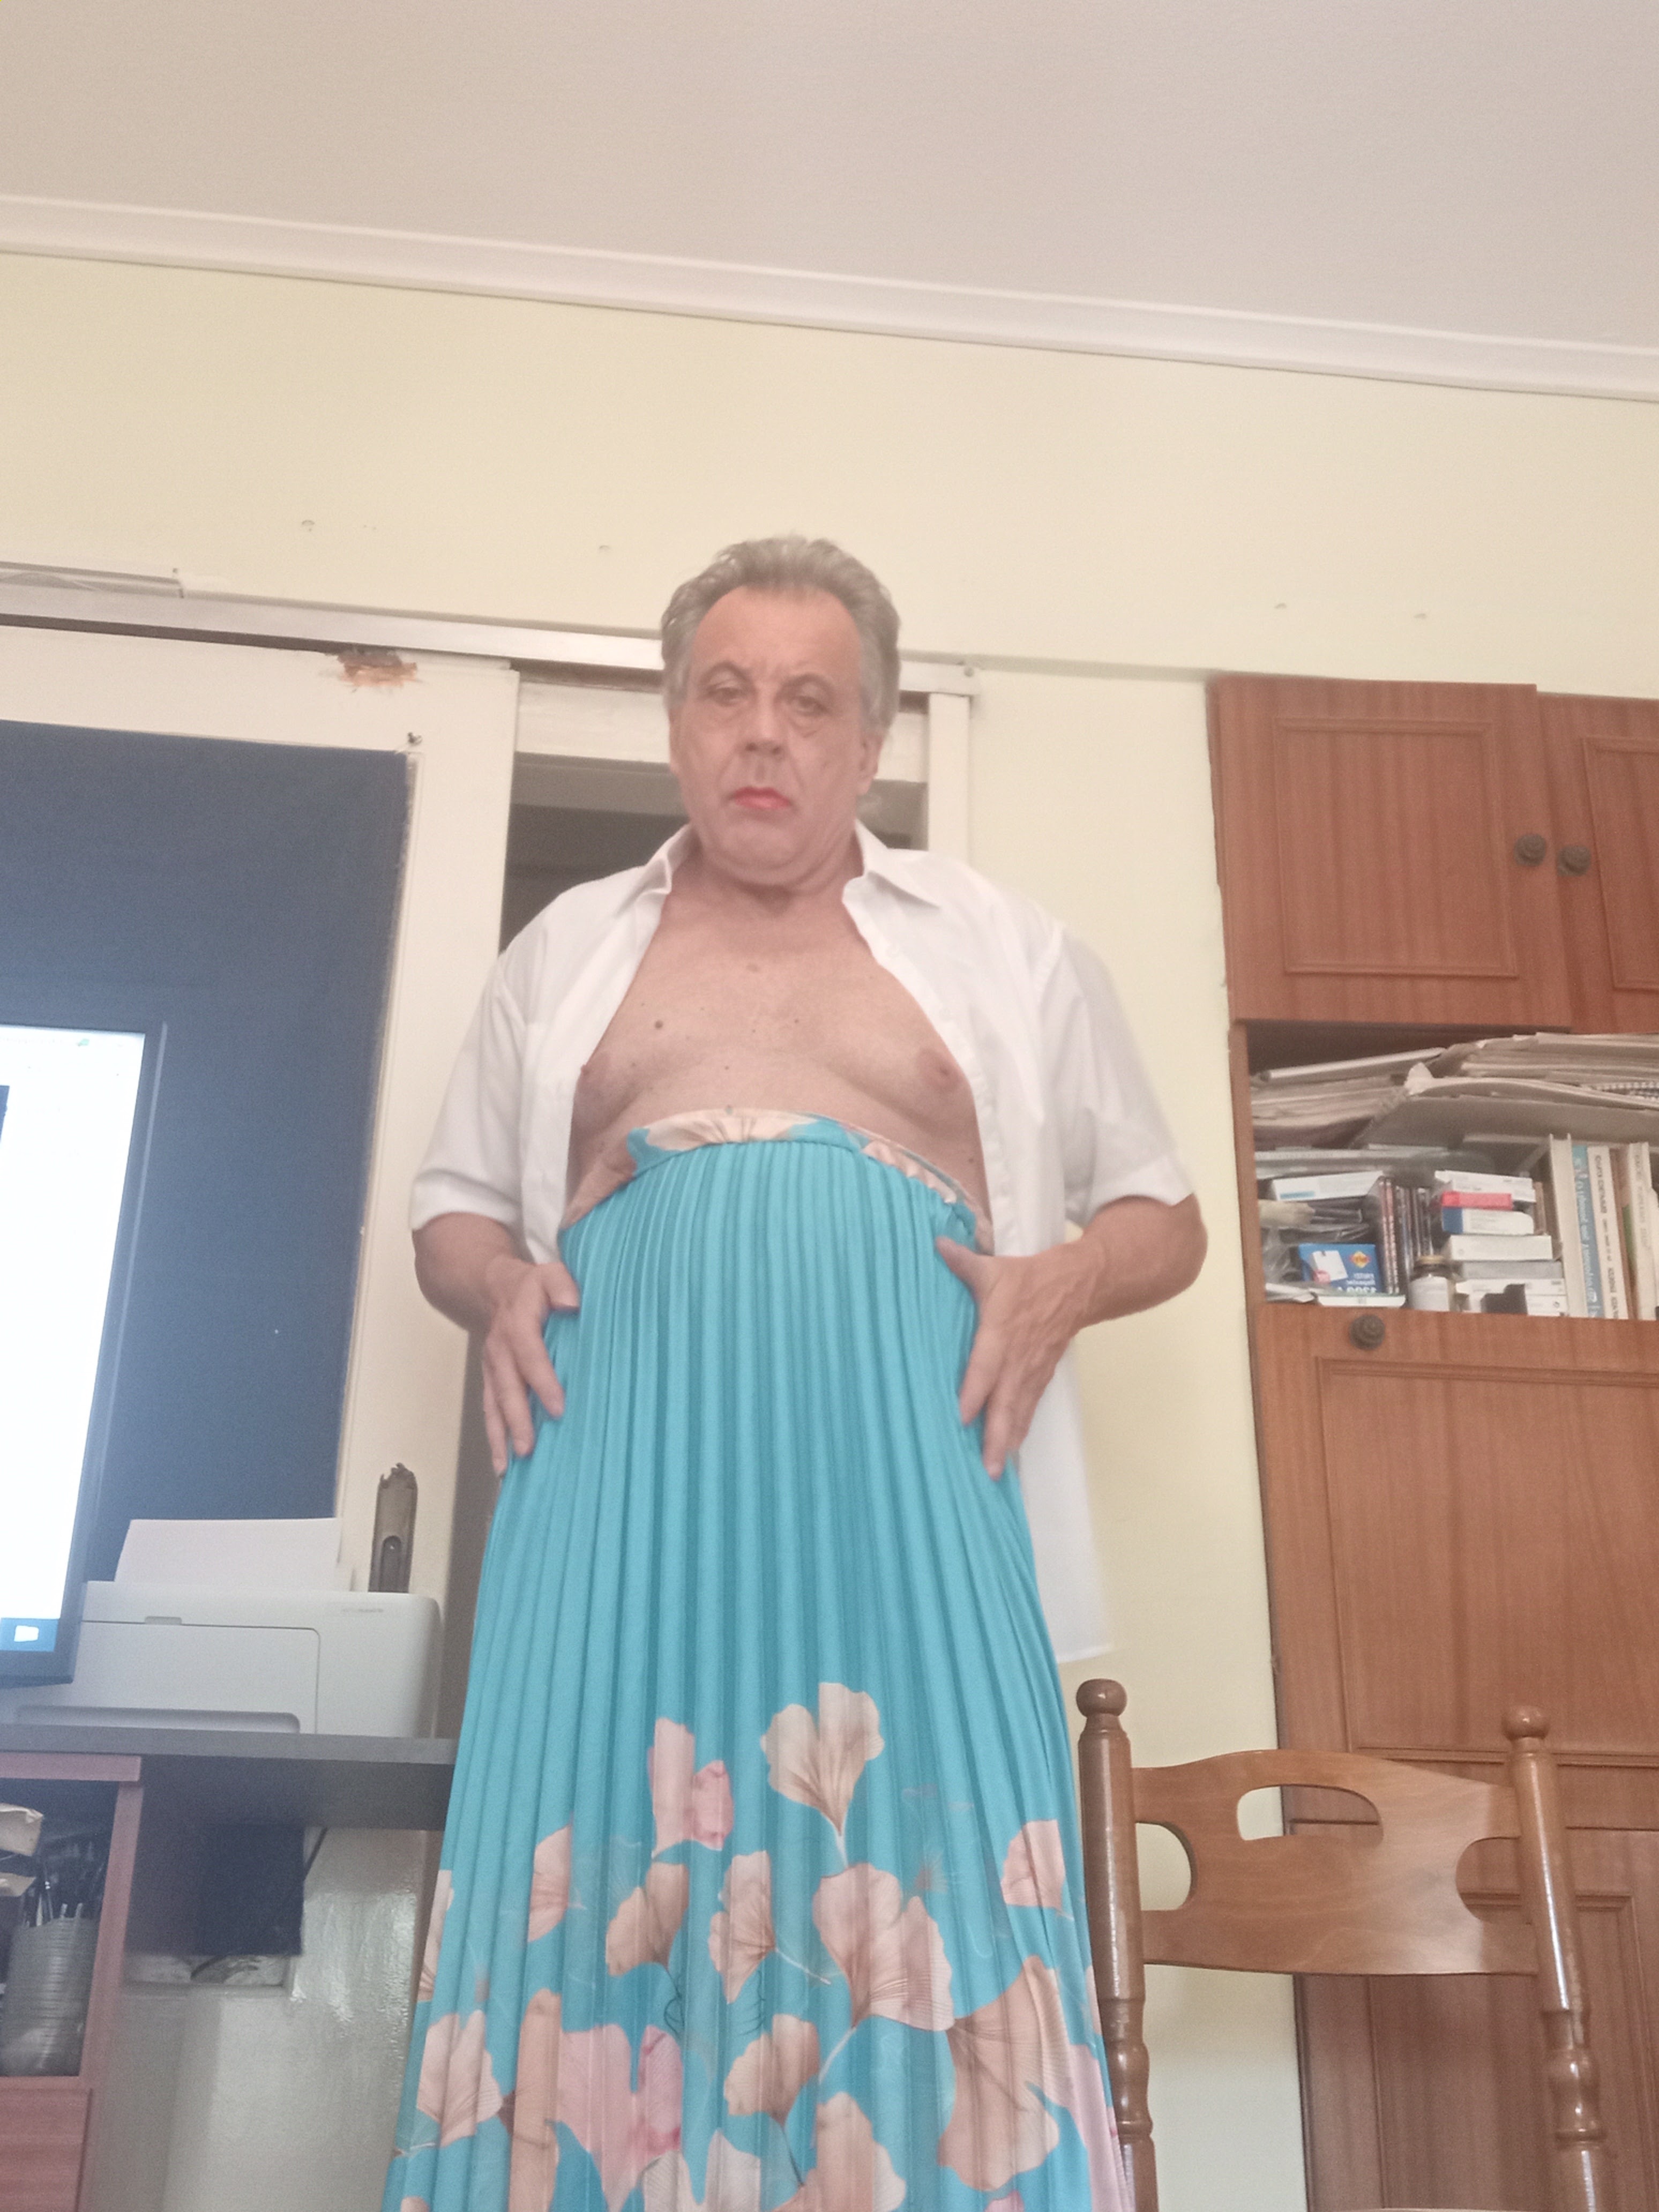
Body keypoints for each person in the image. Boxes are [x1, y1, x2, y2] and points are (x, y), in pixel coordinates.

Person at [385, 537, 1204, 2212]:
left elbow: (1166, 1218)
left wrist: (1063, 1280)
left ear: (873, 739)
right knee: (594, 1871)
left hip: (913, 1489)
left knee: (933, 1874)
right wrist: (500, 1285)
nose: (765, 731)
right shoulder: (565, 951)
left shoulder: (1005, 949)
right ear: (678, 722)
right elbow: (452, 1213)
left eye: (811, 701)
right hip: (613, 1491)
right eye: (728, 693)